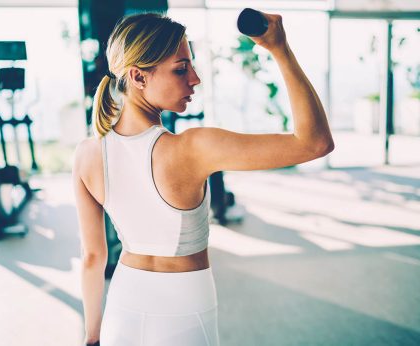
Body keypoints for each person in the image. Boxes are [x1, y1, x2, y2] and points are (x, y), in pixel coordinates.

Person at [72, 11, 334, 346]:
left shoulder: (86, 153)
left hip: (122, 309)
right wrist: (280, 49)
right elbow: (315, 142)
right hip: (184, 313)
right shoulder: (194, 148)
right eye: (181, 69)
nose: (195, 78)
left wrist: (92, 336)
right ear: (138, 77)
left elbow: (93, 257)